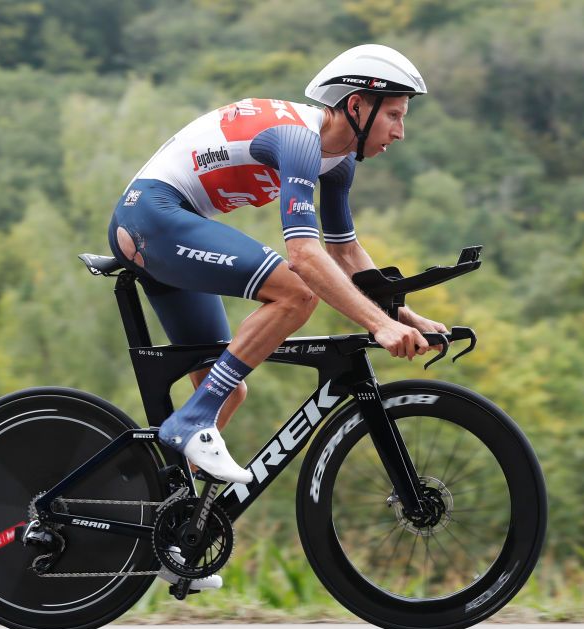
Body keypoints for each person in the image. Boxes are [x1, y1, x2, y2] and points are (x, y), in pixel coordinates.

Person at [106, 45, 448, 589]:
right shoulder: (298, 140)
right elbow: (306, 257)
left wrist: (406, 315)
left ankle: (175, 537)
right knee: (295, 294)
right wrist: (377, 326)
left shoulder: (336, 166)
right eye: (394, 114)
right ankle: (190, 422)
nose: (401, 131)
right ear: (357, 106)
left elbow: (346, 256)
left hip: (174, 226)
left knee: (225, 387)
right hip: (153, 215)